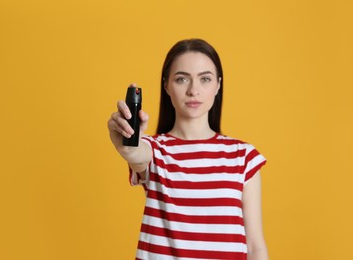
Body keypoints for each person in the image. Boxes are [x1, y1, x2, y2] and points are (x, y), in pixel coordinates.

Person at [108, 38, 268, 260]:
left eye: (205, 79)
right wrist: (128, 145)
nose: (194, 90)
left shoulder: (243, 156)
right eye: (182, 79)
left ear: (218, 85)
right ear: (166, 85)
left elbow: (255, 246)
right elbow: (137, 155)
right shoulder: (155, 150)